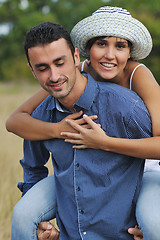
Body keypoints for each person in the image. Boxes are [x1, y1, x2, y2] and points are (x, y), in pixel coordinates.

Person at [7, 6, 160, 240]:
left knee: (152, 222)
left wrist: (104, 142)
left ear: (130, 52)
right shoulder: (68, 73)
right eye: (101, 44)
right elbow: (17, 120)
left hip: (144, 167)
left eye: (120, 46)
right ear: (85, 50)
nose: (109, 55)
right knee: (24, 213)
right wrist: (58, 130)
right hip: (83, 172)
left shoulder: (138, 75)